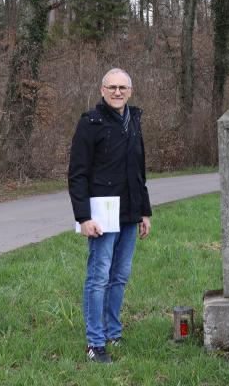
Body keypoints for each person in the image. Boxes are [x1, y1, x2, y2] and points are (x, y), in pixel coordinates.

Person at [68, 68, 152, 364]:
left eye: (123, 88)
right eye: (112, 87)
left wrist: (145, 211)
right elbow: (77, 175)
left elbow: (139, 172)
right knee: (98, 276)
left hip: (130, 212)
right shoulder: (90, 123)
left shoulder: (134, 121)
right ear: (102, 90)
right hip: (102, 213)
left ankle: (113, 332)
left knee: (120, 276)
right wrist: (83, 218)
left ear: (130, 91)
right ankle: (95, 343)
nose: (117, 92)